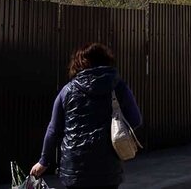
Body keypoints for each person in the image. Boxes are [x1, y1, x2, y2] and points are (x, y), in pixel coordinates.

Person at [31, 42, 142, 188]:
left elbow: (53, 130)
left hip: (74, 168)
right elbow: (136, 120)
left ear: (78, 64)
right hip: (107, 168)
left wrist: (43, 162)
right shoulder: (118, 87)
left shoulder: (67, 91)